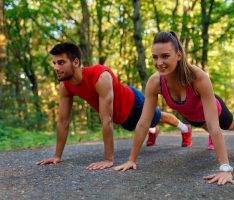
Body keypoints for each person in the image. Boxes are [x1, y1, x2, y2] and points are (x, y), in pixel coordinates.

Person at [114, 31, 234, 185]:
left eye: (165, 56)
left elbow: (214, 126)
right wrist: (131, 160)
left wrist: (225, 169)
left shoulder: (199, 78)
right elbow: (143, 123)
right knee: (204, 125)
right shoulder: (155, 82)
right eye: (155, 57)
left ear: (179, 55)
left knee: (232, 125)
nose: (159, 62)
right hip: (191, 116)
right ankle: (211, 135)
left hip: (214, 111)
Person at [35, 42, 192, 170]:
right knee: (136, 126)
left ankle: (185, 129)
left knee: (159, 117)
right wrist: (57, 156)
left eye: (61, 62)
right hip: (121, 117)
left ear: (75, 62)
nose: (56, 67)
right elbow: (63, 121)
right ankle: (153, 130)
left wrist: (108, 159)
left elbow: (106, 119)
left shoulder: (99, 76)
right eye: (54, 63)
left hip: (134, 104)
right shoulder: (65, 86)